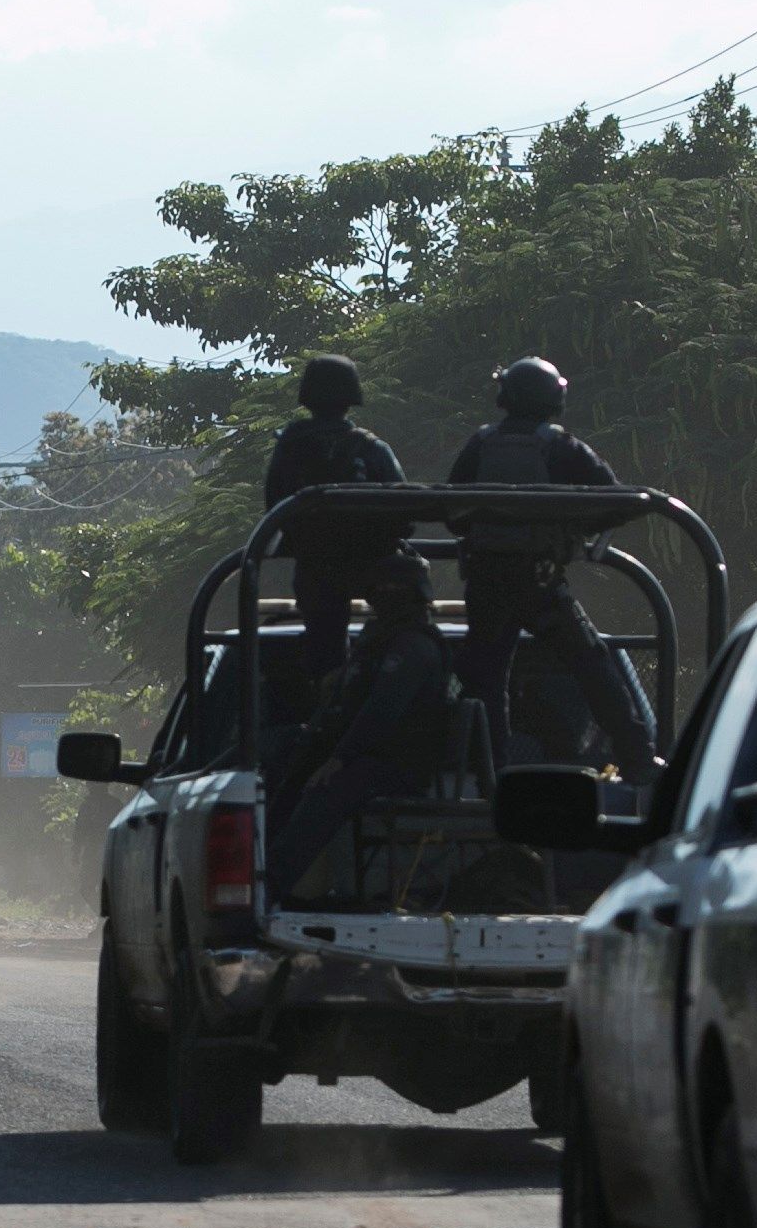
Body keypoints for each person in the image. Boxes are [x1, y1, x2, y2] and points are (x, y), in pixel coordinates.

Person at [443, 357, 660, 776]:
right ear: (554, 398)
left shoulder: (481, 444)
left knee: (486, 678)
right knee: (592, 664)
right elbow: (615, 503)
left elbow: (453, 512)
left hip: (486, 581)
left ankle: (488, 772)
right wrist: (569, 528)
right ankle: (637, 758)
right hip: (538, 582)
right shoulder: (559, 447)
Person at [266, 557, 462, 893]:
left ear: (416, 594)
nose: (387, 595)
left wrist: (338, 758)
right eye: (381, 588)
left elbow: (381, 712)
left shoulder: (414, 647)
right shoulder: (375, 643)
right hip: (363, 755)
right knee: (287, 757)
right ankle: (260, 866)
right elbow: (346, 702)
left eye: (396, 588)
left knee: (329, 786)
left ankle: (275, 883)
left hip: (399, 762)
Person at [263, 356, 407, 673]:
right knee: (404, 628)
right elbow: (404, 512)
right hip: (374, 566)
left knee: (323, 651)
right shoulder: (372, 449)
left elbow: (273, 503)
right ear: (352, 396)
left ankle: (326, 698)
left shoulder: (290, 448)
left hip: (314, 567)